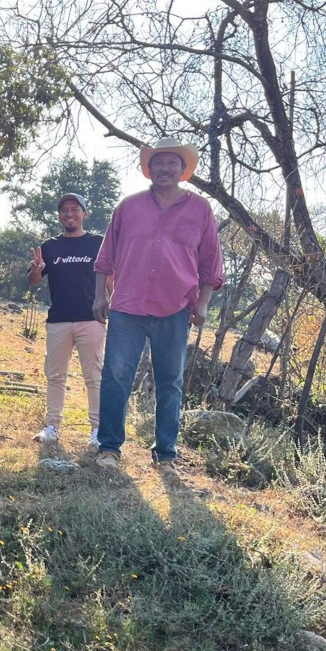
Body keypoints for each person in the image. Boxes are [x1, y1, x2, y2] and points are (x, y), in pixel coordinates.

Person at [92, 137, 224, 468]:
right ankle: (109, 447)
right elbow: (105, 256)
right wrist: (99, 294)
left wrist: (204, 303)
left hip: (175, 308)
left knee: (170, 383)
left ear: (183, 170)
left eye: (172, 163)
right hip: (127, 304)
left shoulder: (200, 209)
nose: (165, 168)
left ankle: (165, 453)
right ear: (148, 169)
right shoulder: (128, 206)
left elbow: (211, 263)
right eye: (158, 163)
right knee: (115, 377)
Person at [28, 192, 105, 447]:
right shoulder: (50, 246)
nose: (69, 214)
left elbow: (111, 278)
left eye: (75, 209)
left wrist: (113, 307)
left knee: (93, 376)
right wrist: (37, 270)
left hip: (91, 319)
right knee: (56, 376)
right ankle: (52, 427)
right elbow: (34, 281)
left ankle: (97, 431)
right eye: (64, 210)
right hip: (58, 320)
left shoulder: (99, 243)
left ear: (85, 213)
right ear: (59, 215)